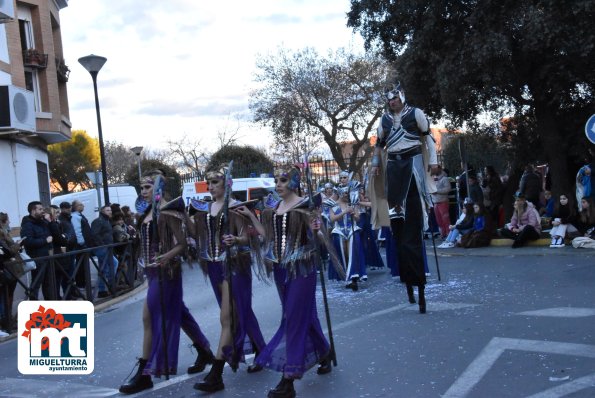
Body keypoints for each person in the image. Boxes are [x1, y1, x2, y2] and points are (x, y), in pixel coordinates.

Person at [119, 170, 213, 394]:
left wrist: (167, 256)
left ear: (158, 189)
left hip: (166, 273)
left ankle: (145, 374)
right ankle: (204, 350)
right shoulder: (146, 212)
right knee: (180, 315)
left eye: (147, 187)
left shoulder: (168, 212)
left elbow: (182, 244)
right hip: (152, 273)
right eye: (141, 188)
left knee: (148, 318)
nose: (143, 192)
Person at [250, 165, 339, 398]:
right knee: (303, 317)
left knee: (293, 319)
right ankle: (324, 352)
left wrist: (318, 228)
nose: (278, 184)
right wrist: (250, 217)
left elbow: (320, 236)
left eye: (282, 180)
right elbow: (268, 236)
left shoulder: (306, 205)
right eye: (276, 180)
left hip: (302, 269)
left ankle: (288, 379)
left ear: (294, 182)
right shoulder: (275, 207)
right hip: (281, 269)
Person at [190, 165, 267, 393]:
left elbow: (250, 237)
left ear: (226, 184)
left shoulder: (235, 207)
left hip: (234, 266)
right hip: (213, 266)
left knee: (227, 317)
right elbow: (199, 236)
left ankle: (216, 373)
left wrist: (237, 239)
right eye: (208, 183)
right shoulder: (206, 208)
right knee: (241, 311)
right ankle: (261, 350)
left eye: (215, 183)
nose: (210, 187)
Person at [370, 81, 438, 313]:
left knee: (413, 226)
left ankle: (417, 284)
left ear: (402, 96)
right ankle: (407, 281)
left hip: (413, 166)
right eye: (389, 99)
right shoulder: (384, 120)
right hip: (393, 169)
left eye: (395, 97)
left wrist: (435, 162)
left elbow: (428, 137)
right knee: (398, 226)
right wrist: (376, 164)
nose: (392, 102)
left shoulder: (416, 113)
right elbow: (379, 145)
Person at [328, 185, 364, 290]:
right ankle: (347, 278)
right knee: (343, 255)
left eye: (347, 193)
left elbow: (358, 219)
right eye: (344, 193)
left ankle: (353, 279)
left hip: (352, 231)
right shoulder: (334, 205)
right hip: (339, 232)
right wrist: (344, 212)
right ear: (339, 193)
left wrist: (353, 214)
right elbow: (332, 219)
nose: (346, 195)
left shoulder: (352, 203)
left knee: (352, 253)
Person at [20, 201, 54, 300]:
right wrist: (45, 241)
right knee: (36, 283)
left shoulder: (43, 222)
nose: (43, 211)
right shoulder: (28, 224)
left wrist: (49, 221)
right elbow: (28, 241)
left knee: (48, 283)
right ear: (33, 210)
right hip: (37, 258)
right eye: (40, 209)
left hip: (47, 256)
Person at [91, 205, 118, 298]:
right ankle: (111, 286)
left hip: (106, 247)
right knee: (114, 264)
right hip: (102, 248)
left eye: (110, 210)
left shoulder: (106, 221)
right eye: (107, 210)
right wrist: (103, 245)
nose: (110, 211)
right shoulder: (98, 221)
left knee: (103, 269)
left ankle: (102, 290)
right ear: (102, 211)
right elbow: (95, 234)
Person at [70, 200, 95, 291]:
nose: (83, 206)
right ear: (76, 206)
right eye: (81, 205)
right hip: (81, 245)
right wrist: (82, 242)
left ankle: (84, 283)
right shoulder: (75, 216)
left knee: (84, 264)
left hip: (85, 244)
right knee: (80, 264)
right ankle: (80, 284)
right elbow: (77, 230)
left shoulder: (79, 216)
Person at [431, 165, 451, 238]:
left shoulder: (445, 178)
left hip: (443, 201)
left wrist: (437, 191)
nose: (433, 171)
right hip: (435, 202)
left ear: (439, 169)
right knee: (439, 219)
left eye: (435, 169)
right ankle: (443, 233)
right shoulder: (433, 178)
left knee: (445, 218)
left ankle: (448, 233)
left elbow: (448, 189)